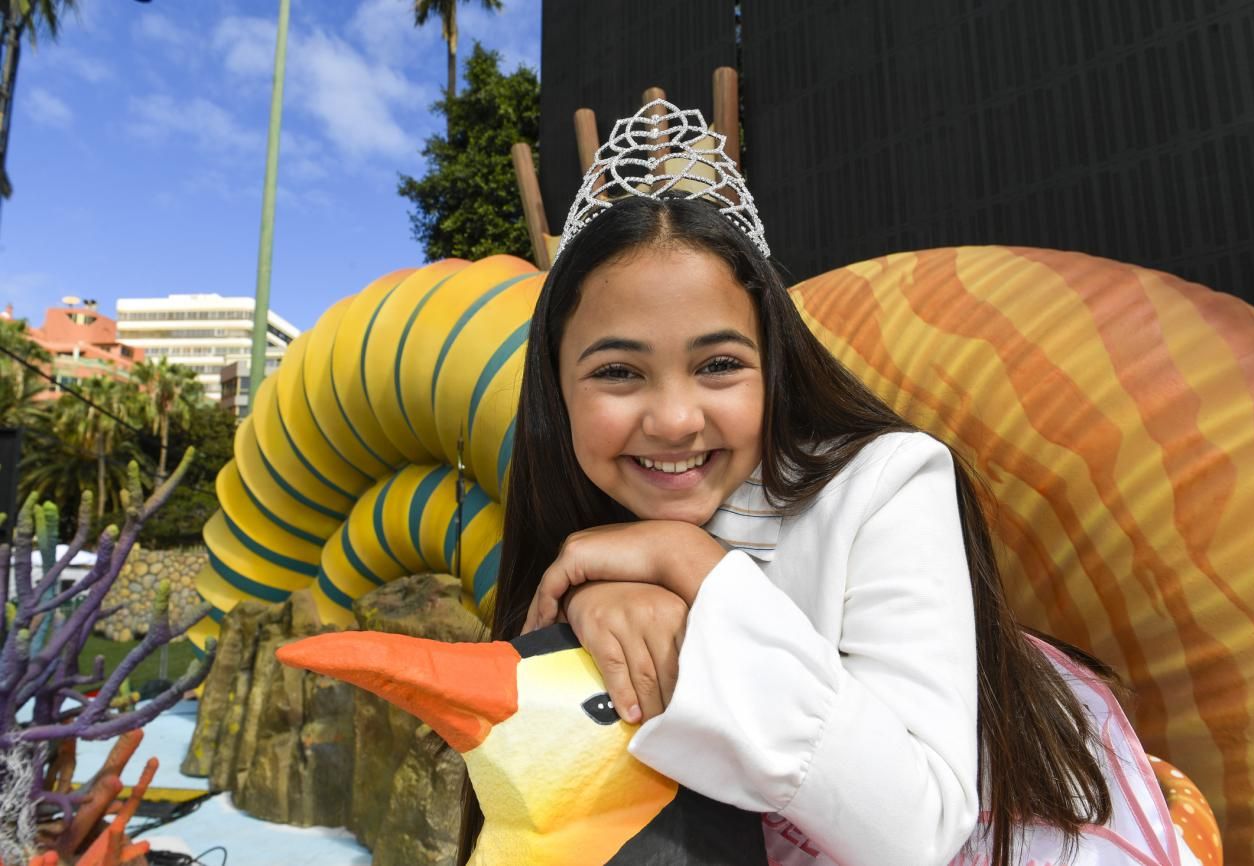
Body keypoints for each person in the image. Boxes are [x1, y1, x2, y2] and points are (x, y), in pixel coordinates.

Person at [461, 102, 1188, 866]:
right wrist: (583, 618)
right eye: (617, 372)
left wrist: (695, 569)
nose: (675, 419)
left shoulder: (888, 482)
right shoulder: (575, 544)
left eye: (718, 365)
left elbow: (915, 829)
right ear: (556, 388)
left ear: (775, 363)